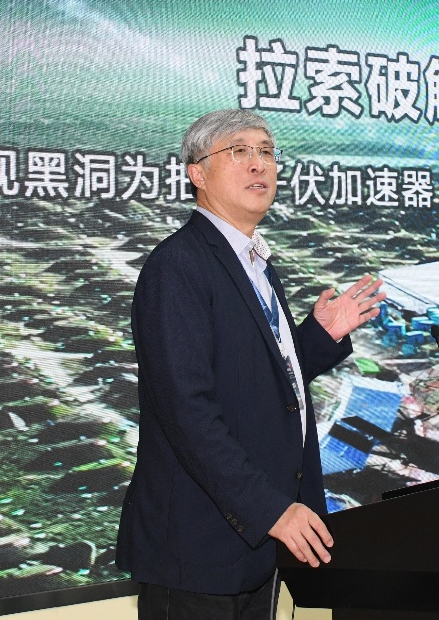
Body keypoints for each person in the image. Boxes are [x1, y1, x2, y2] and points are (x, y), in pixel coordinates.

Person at [117, 109, 384, 620]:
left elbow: (256, 382)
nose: (259, 164)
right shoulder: (179, 266)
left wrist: (318, 338)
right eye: (239, 151)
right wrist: (271, 510)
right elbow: (187, 413)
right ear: (197, 173)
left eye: (266, 152)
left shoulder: (254, 262)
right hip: (198, 551)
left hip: (251, 549)